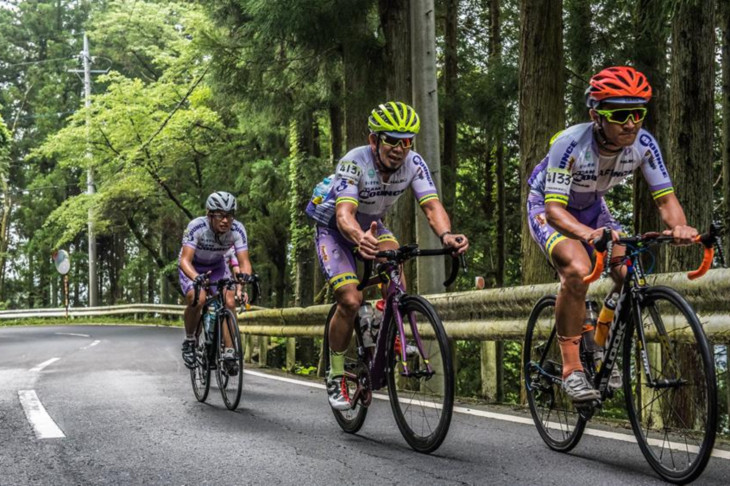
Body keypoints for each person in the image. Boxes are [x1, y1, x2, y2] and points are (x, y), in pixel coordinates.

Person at [526, 66, 698, 402]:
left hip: (593, 207)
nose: (631, 123)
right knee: (577, 270)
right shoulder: (570, 143)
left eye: (638, 113)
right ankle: (572, 369)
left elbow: (666, 199)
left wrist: (679, 226)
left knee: (626, 268)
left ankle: (599, 343)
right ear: (596, 115)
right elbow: (556, 211)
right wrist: (588, 235)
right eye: (620, 114)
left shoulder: (644, 144)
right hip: (549, 208)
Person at [306, 101, 469, 410]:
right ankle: (336, 373)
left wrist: (447, 235)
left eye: (406, 141)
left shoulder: (413, 163)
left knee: (394, 263)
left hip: (372, 225)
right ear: (374, 140)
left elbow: (431, 206)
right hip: (336, 228)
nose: (399, 148)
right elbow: (344, 214)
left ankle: (387, 322)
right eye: (392, 140)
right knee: (350, 300)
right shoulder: (354, 162)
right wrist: (358, 238)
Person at [179, 191, 253, 370]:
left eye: (229, 215)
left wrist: (242, 284)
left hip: (217, 266)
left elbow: (244, 262)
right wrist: (196, 277)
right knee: (199, 298)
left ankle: (229, 351)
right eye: (220, 215)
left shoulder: (237, 229)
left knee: (229, 300)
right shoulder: (197, 227)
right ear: (210, 215)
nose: (226, 221)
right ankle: (190, 340)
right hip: (193, 266)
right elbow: (184, 261)